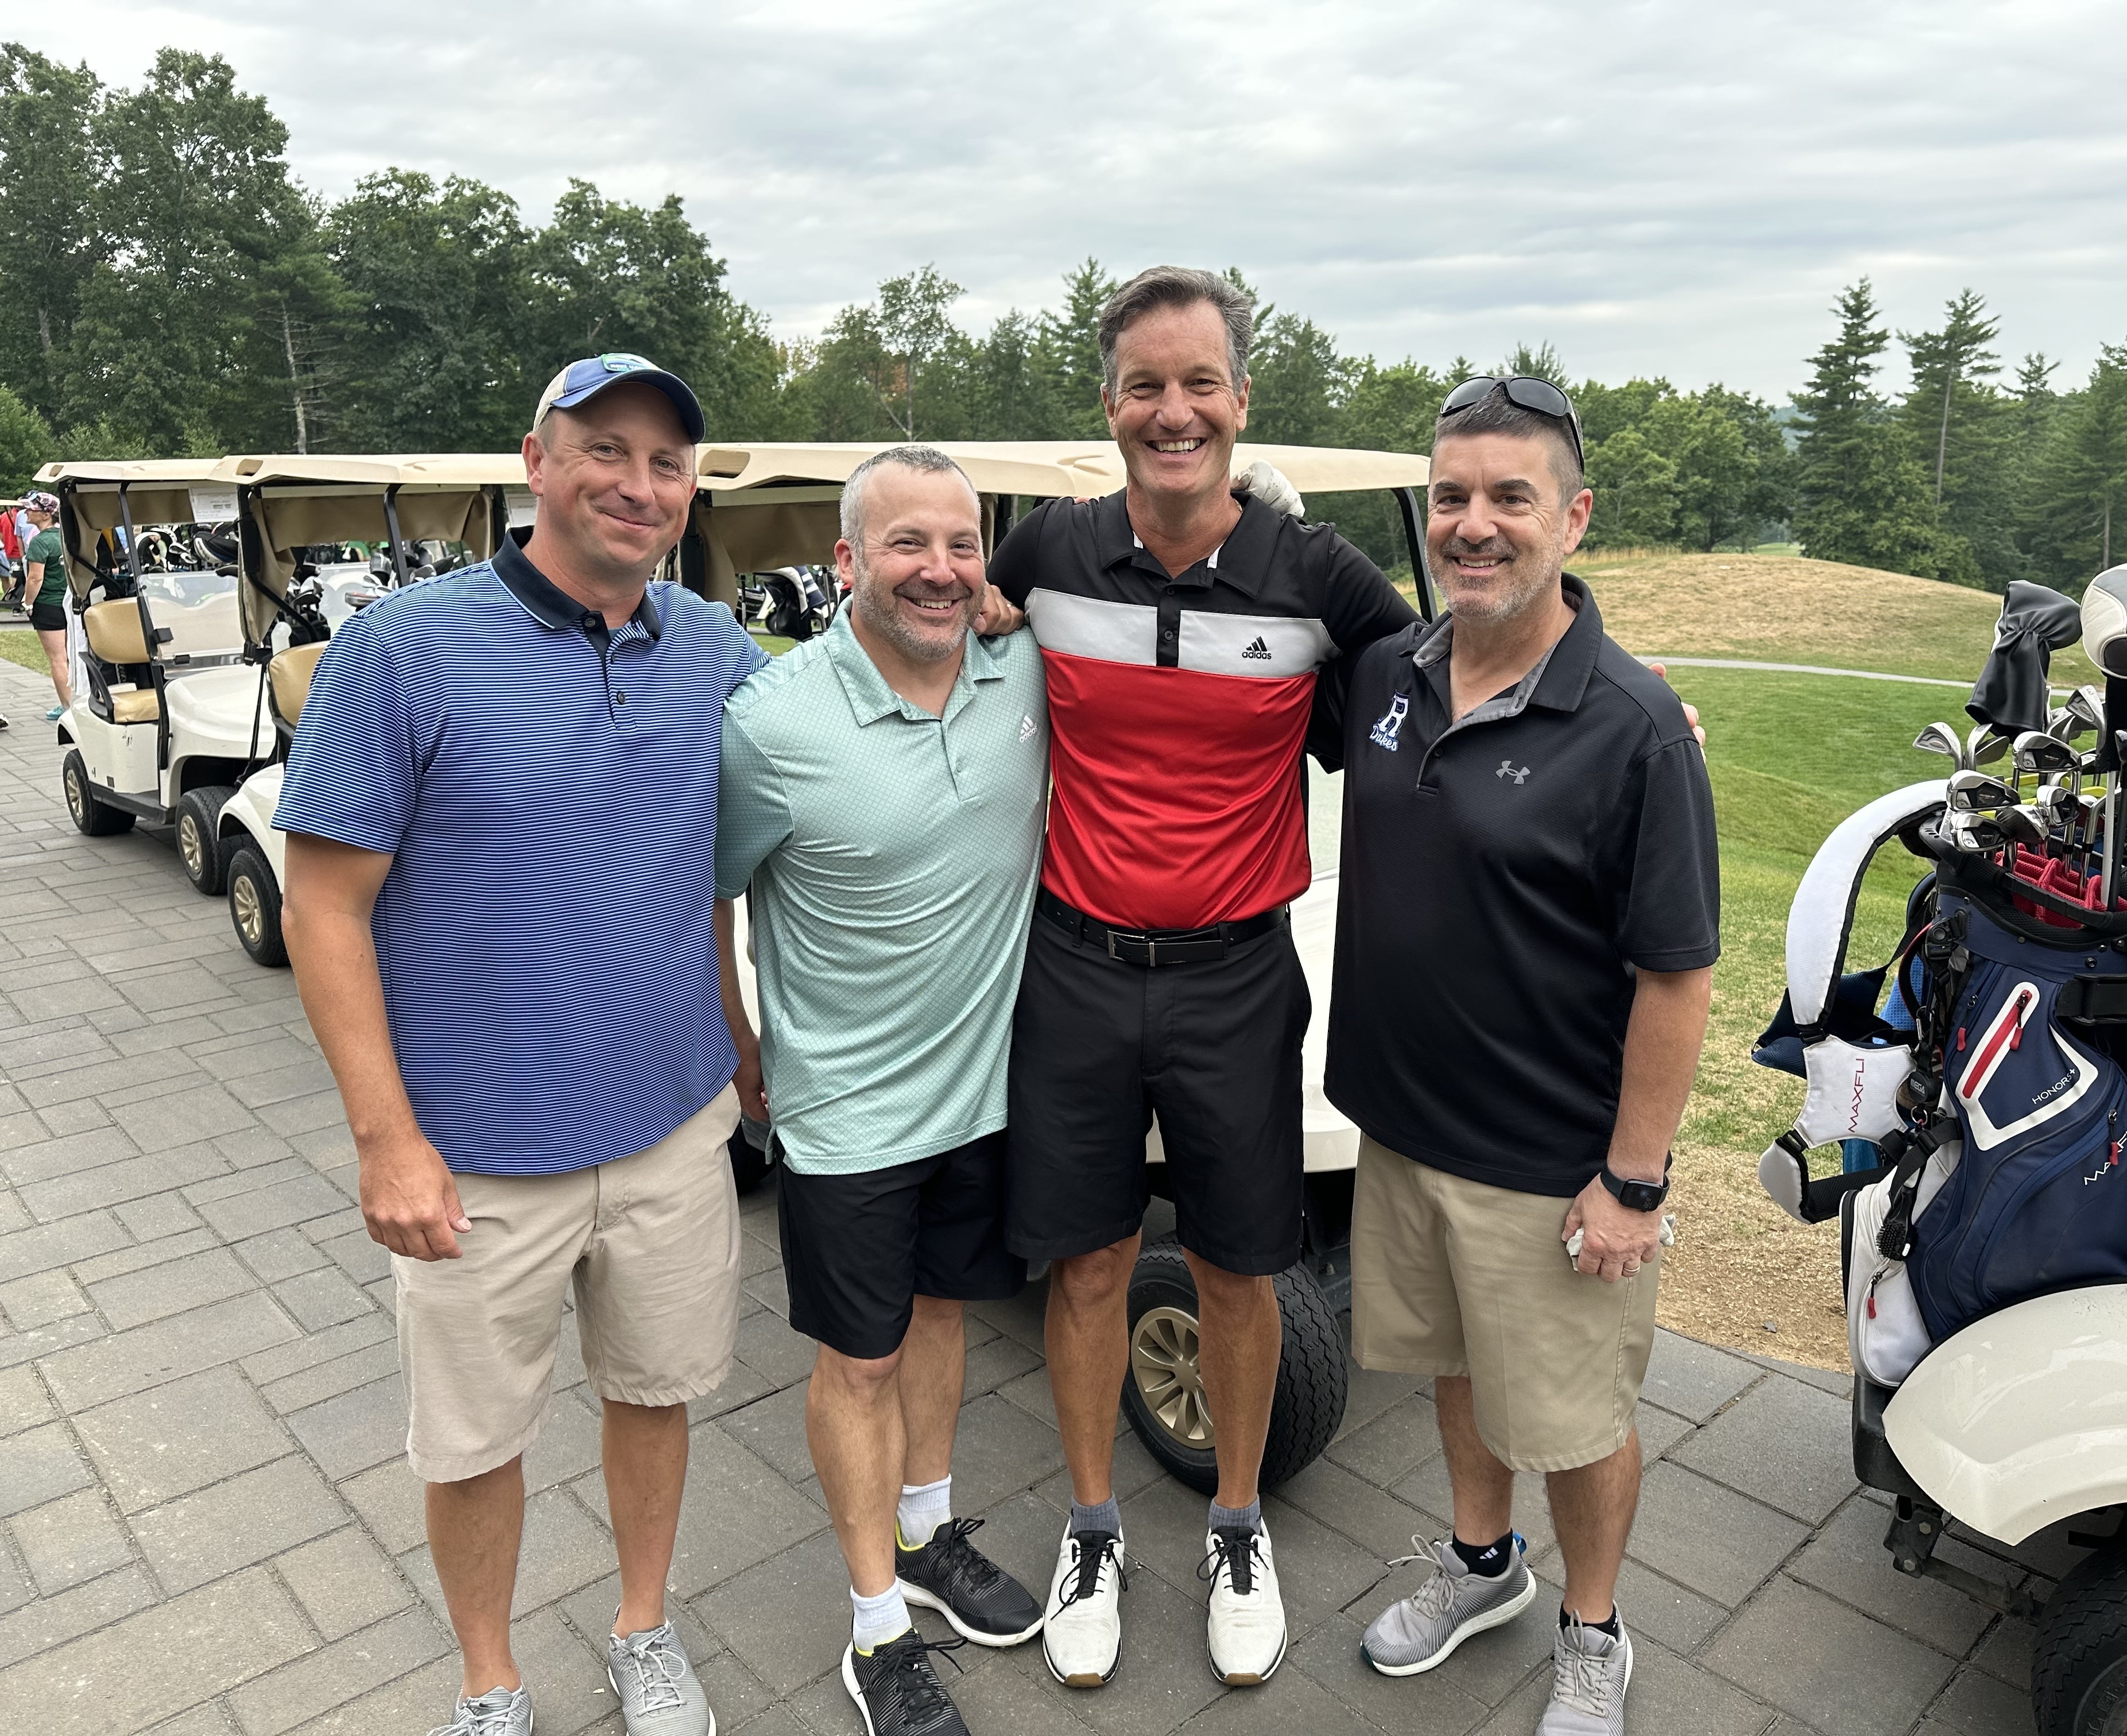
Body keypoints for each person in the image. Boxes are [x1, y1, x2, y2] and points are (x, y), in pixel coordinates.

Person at [276, 354, 764, 1736]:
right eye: (605, 449)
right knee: (475, 1440)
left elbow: (756, 816)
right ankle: (489, 1682)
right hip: (477, 1156)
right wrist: (386, 1142)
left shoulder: (711, 647)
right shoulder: (406, 649)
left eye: (666, 463)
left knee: (655, 1395)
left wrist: (993, 606)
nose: (638, 484)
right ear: (537, 462)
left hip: (671, 1125)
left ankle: (644, 1628)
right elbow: (323, 906)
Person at [984, 266, 1424, 1690]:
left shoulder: (1317, 574)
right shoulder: (1047, 550)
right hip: (1075, 966)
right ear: (1109, 404)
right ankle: (1093, 1529)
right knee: (1089, 1263)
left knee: (1243, 1266)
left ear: (1240, 397)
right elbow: (935, 636)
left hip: (1238, 976)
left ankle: (1237, 1525)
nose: (1172, 412)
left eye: (1198, 383)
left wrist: (1628, 693)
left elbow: (1458, 674)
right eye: (1144, 386)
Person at [1319, 378, 1717, 1736]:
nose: (1472, 525)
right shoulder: (1390, 672)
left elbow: (1677, 975)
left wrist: (1634, 1180)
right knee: (1456, 1370)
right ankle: (1483, 1566)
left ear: (1574, 517)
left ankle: (1594, 1632)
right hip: (1403, 1131)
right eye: (1450, 497)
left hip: (1551, 1168)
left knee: (1576, 1420)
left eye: (1509, 498)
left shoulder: (1635, 726)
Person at [713, 445, 1049, 1736]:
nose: (940, 570)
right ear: (846, 559)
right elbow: (712, 894)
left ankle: (926, 1533)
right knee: (860, 1359)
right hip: (847, 1109)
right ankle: (875, 1629)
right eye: (907, 543)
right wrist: (739, 1040)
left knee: (945, 1312)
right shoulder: (772, 723)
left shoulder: (1021, 667)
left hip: (982, 1090)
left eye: (962, 545)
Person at [20, 492, 72, 720]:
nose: (26, 512)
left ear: (45, 514)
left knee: (57, 659)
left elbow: (35, 578)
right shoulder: (66, 538)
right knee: (69, 657)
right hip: (68, 603)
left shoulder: (40, 542)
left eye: (32, 509)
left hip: (48, 604)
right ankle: (75, 702)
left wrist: (28, 603)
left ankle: (67, 707)